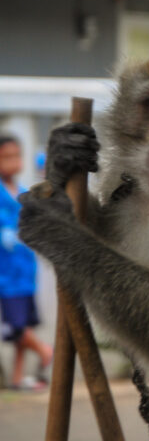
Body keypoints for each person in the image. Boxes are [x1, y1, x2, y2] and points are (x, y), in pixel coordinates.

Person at [0, 134, 52, 391]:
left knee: (22, 325)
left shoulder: (22, 193)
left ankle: (17, 378)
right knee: (16, 326)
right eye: (7, 157)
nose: (14, 162)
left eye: (17, 155)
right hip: (5, 275)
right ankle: (45, 351)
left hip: (25, 272)